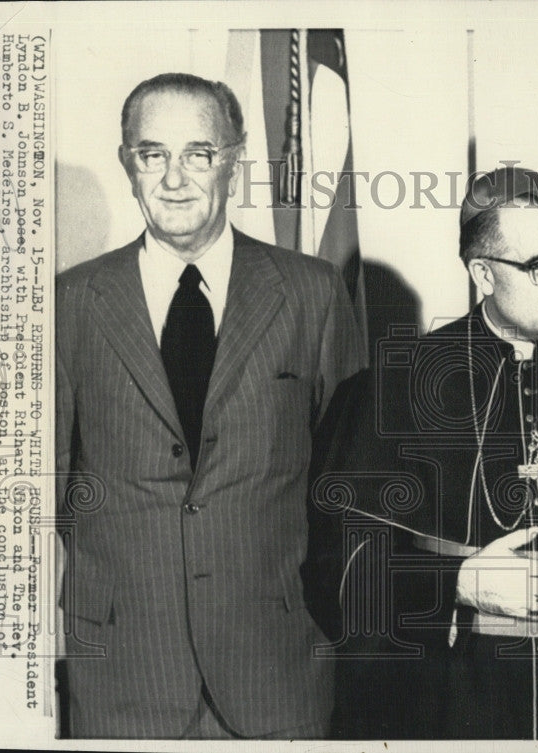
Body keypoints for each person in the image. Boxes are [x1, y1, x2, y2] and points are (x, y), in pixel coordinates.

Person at [55, 73, 364, 738]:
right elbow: (36, 496)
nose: (174, 178)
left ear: (234, 160)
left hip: (276, 671)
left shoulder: (310, 294)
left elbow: (351, 488)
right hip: (122, 676)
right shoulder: (70, 303)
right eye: (152, 154)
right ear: (127, 164)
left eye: (199, 154)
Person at [314, 167, 538, 741]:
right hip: (452, 702)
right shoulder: (396, 387)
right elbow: (334, 573)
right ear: (482, 273)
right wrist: (457, 583)